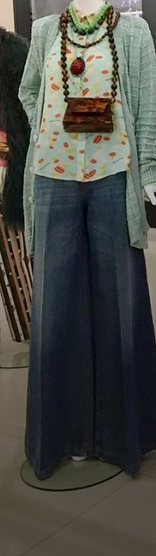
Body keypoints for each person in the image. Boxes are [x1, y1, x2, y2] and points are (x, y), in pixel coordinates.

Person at [18, 0, 156, 480]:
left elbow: (146, 105)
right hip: (52, 177)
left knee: (120, 303)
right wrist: (50, 129)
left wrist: (147, 172)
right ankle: (60, 436)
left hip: (112, 176)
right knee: (54, 308)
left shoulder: (132, 32)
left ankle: (123, 436)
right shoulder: (45, 31)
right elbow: (29, 92)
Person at [0, 25, 32, 343]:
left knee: (17, 255)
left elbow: (23, 115)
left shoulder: (14, 53)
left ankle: (29, 323)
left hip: (10, 161)